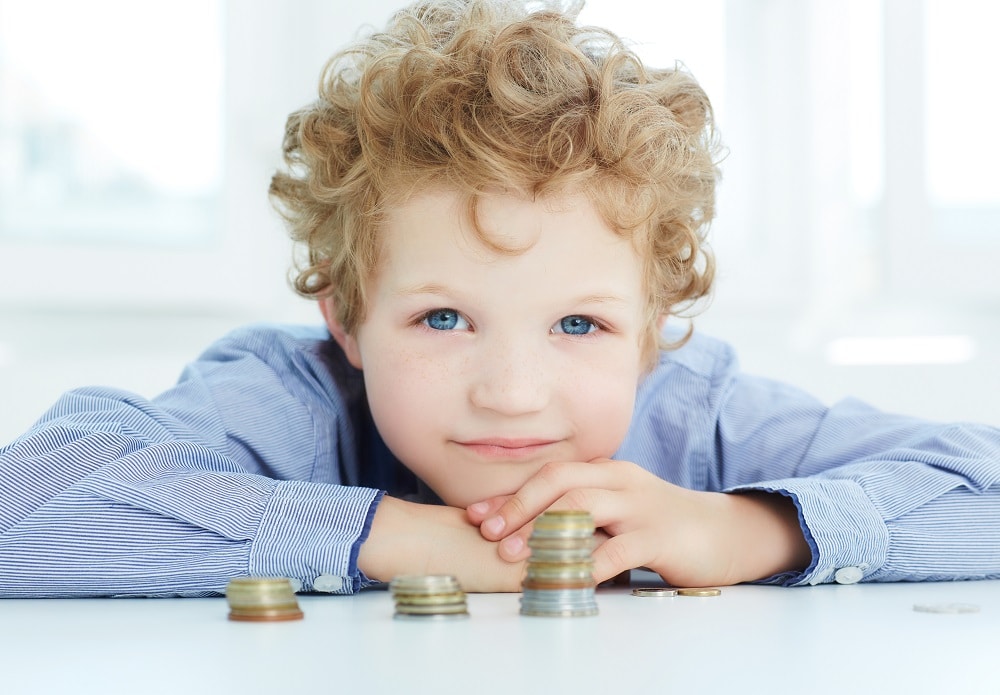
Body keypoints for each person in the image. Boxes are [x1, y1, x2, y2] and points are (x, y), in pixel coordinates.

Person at [1, 0, 998, 598]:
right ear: (343, 316)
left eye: (579, 324)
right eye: (442, 317)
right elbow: (26, 499)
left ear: (652, 334)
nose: (514, 393)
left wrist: (751, 529)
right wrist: (399, 537)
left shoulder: (700, 414)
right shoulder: (282, 400)